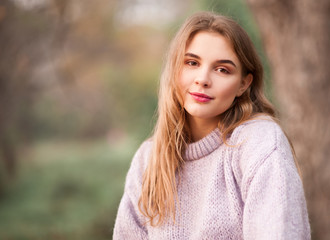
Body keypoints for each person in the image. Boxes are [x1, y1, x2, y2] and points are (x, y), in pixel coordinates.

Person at [113, 11, 311, 239]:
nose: (203, 79)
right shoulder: (148, 158)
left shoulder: (259, 142)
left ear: (243, 84)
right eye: (192, 63)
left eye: (222, 70)